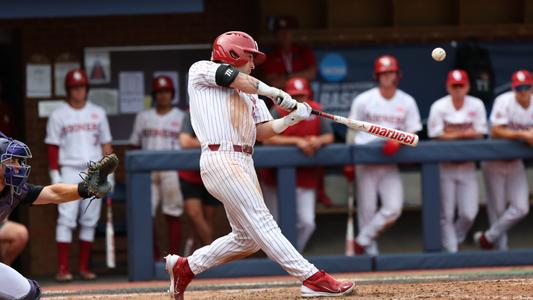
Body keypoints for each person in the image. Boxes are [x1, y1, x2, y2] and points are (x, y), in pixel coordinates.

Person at [164, 31, 354, 299]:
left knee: (247, 239)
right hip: (221, 158)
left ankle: (186, 267)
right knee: (262, 220)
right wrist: (276, 93)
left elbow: (262, 132)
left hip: (244, 160)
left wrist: (292, 119)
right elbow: (233, 78)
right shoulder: (202, 70)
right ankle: (312, 278)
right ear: (234, 54)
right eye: (250, 57)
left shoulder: (251, 93)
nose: (253, 64)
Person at [0, 133, 116, 300]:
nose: (18, 166)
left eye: (19, 161)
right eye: (11, 161)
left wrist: (85, 189)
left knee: (30, 293)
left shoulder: (13, 191)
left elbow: (52, 193)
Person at [348, 55, 422, 256]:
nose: (388, 76)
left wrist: (399, 140)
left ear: (398, 75)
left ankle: (362, 240)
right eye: (384, 73)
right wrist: (349, 161)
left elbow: (413, 130)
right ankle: (369, 255)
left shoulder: (407, 101)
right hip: (366, 158)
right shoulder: (364, 99)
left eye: (391, 72)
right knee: (367, 210)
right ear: (377, 75)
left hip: (389, 161)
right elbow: (352, 130)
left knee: (394, 208)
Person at [45, 68, 113, 281]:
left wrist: (107, 173)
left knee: (89, 219)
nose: (79, 91)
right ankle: (63, 268)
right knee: (66, 219)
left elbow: (106, 145)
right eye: (75, 87)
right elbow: (52, 147)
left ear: (87, 88)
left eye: (82, 87)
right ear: (68, 90)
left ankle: (84, 267)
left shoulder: (98, 112)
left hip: (93, 170)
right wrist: (54, 173)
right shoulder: (58, 114)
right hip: (69, 170)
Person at [261, 77, 334, 252]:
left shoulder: (315, 110)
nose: (300, 100)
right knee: (273, 222)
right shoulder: (278, 111)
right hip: (274, 176)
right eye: (295, 96)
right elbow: (266, 139)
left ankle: (293, 255)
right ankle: (276, 259)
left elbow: (329, 136)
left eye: (302, 95)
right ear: (287, 96)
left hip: (305, 175)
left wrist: (317, 140)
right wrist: (297, 142)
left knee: (307, 222)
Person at [427, 69, 488, 253]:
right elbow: (435, 134)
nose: (458, 89)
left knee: (469, 213)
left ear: (468, 86)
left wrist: (452, 134)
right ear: (448, 86)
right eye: (455, 85)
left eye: (461, 85)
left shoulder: (476, 104)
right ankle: (452, 250)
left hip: (467, 166)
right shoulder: (439, 106)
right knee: (446, 212)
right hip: (446, 166)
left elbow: (481, 133)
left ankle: (456, 237)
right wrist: (464, 134)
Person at [475, 70, 532, 250]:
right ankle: (502, 252)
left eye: (526, 87)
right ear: (514, 89)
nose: (523, 91)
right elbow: (496, 131)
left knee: (521, 207)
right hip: (494, 160)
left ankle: (488, 237)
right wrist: (523, 135)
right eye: (519, 88)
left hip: (515, 161)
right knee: (497, 209)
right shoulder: (504, 100)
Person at [130, 75, 185, 259]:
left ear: (172, 94)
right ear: (154, 95)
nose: (163, 95)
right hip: (148, 171)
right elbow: (135, 145)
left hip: (172, 169)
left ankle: (173, 256)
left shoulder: (181, 116)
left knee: (173, 212)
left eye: (166, 92)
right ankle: (153, 255)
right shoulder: (143, 116)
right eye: (159, 92)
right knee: (147, 213)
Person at [179, 111, 221, 253]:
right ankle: (212, 253)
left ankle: (202, 257)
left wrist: (199, 142)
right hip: (190, 172)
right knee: (194, 214)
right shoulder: (191, 112)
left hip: (212, 171)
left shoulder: (220, 111)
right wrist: (210, 143)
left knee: (208, 218)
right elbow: (185, 141)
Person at [262, 16, 317, 89]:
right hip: (279, 99)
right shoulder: (269, 56)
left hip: (302, 96)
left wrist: (287, 76)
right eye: (281, 32)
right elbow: (274, 83)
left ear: (293, 33)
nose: (285, 35)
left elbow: (312, 74)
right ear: (275, 35)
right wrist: (301, 76)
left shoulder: (304, 52)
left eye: (288, 31)